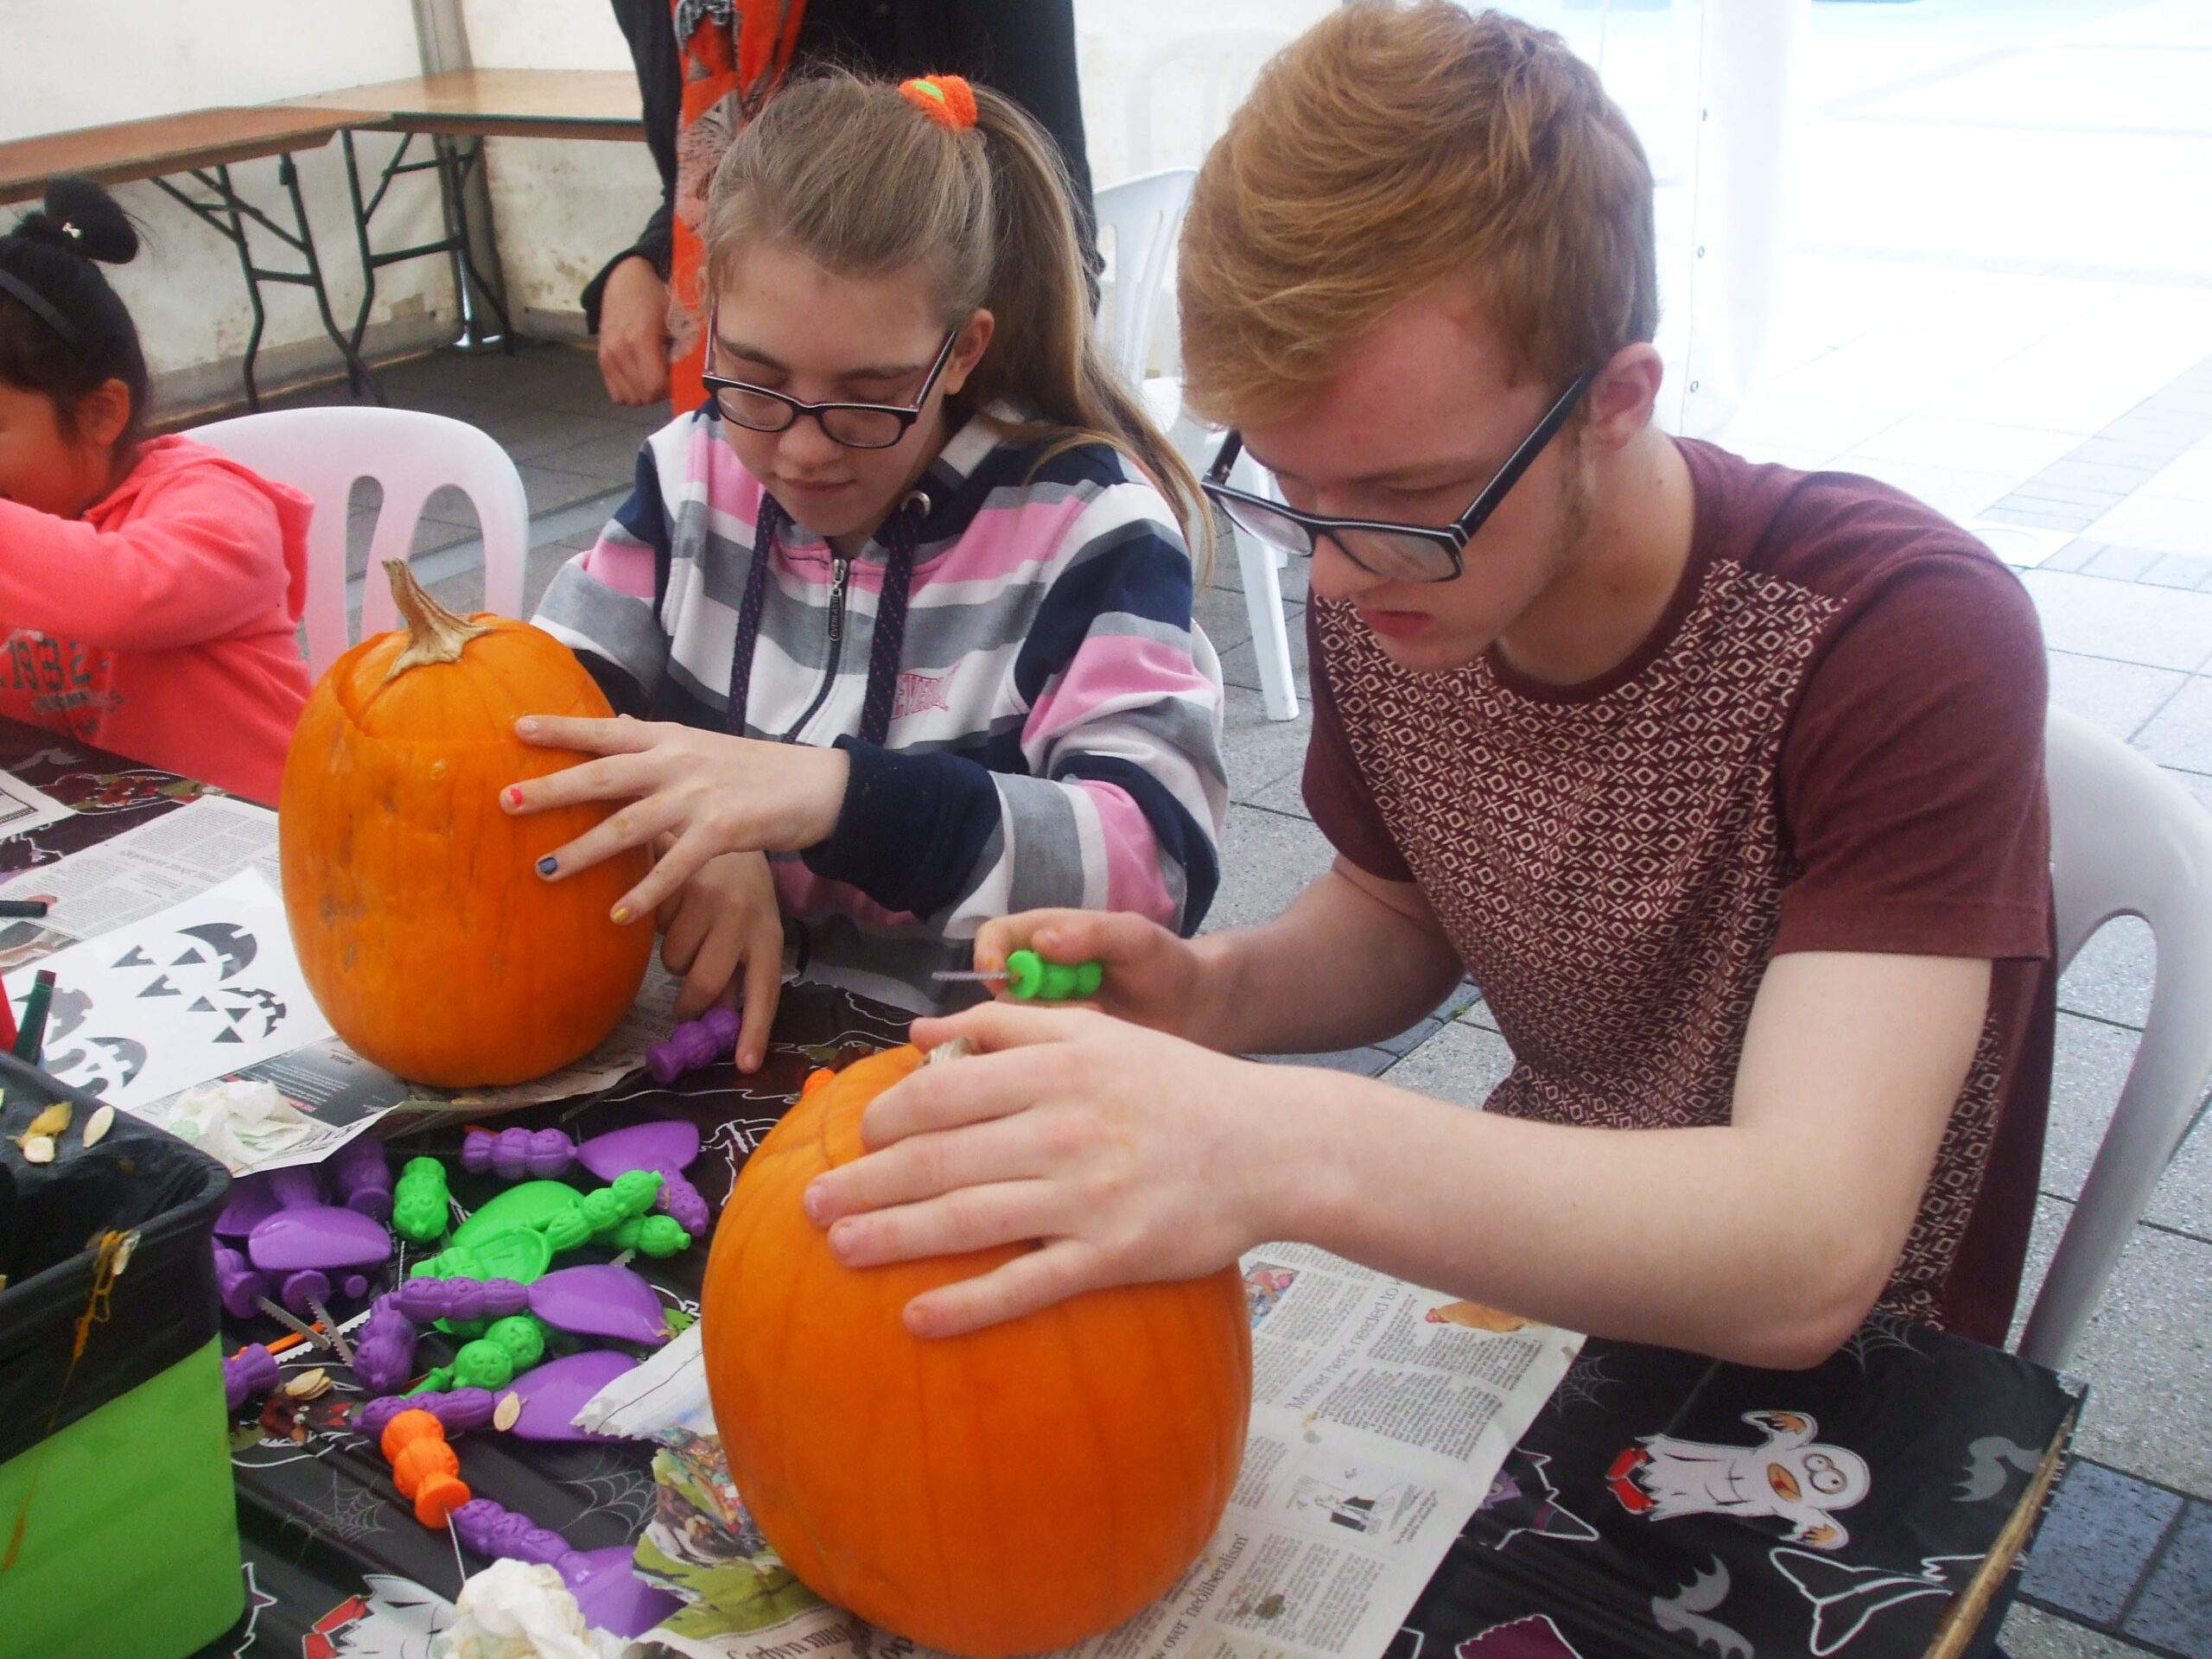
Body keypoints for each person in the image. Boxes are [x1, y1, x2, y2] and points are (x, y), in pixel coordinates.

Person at [793, 4, 2056, 1370]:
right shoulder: (1404, 576)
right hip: (1527, 1274)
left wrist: (1289, 1143)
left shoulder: (1896, 636)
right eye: (1293, 488)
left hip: (1837, 1383)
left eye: (1405, 496)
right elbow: (1404, 913)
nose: (1332, 580)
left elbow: (1804, 1251)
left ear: (1618, 399)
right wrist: (1212, 997)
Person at [515, 73, 1226, 1075]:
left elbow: (1154, 866)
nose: (803, 449)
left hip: (970, 1083)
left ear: (962, 351)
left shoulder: (1086, 532)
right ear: (710, 317)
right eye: (757, 379)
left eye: (869, 396)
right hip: (703, 1066)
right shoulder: (688, 479)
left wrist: (835, 800)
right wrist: (705, 837)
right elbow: (532, 731)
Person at [587, 0, 1095, 415]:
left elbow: (1053, 227)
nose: (804, 453)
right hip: (742, 400)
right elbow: (703, 173)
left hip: (937, 416)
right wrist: (647, 263)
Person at [0, 179, 313, 804]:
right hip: (94, 843)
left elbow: (125, 595)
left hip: (273, 843)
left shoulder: (215, 506)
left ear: (98, 414)